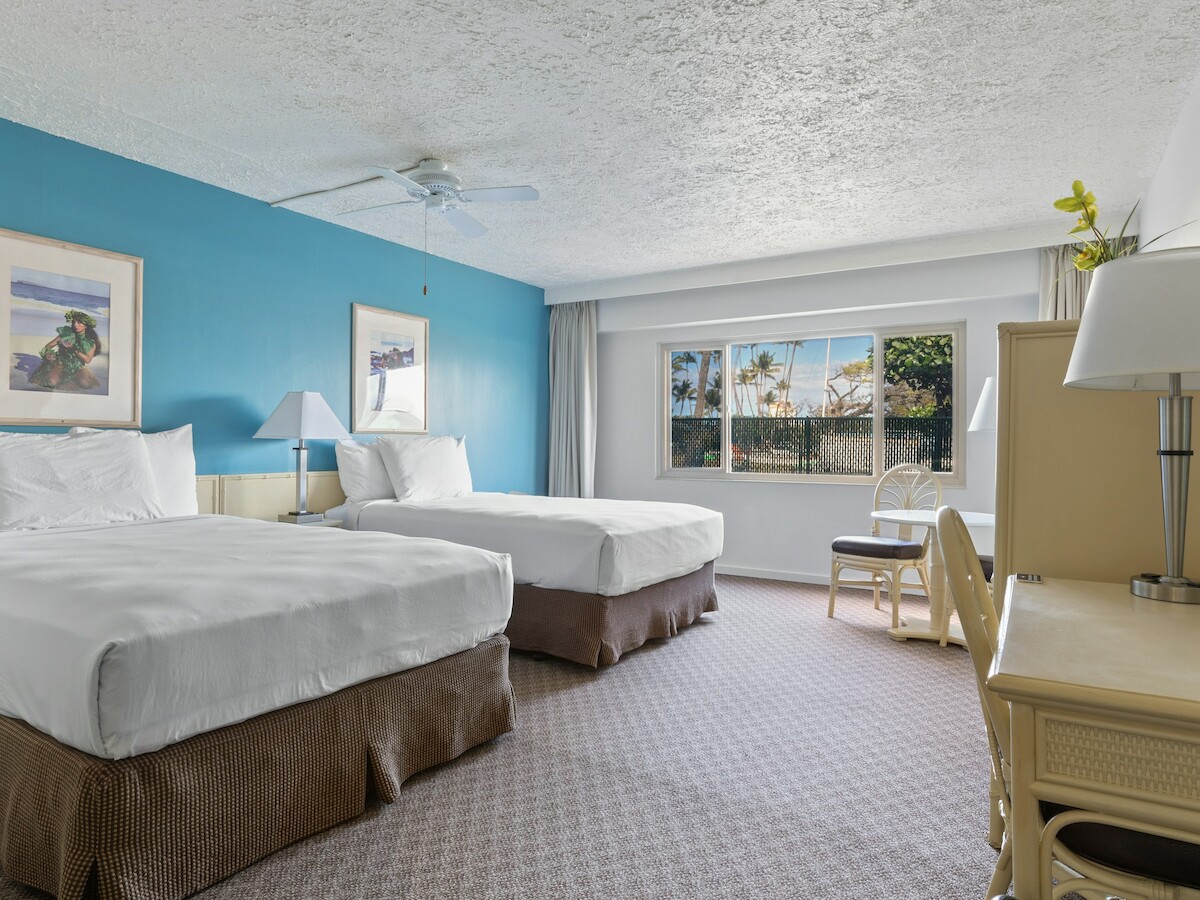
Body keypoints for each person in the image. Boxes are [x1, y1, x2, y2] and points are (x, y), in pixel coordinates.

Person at [28, 310, 102, 390]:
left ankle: (71, 378)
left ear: (86, 326)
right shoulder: (65, 334)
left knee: (86, 384)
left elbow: (87, 360)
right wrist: (47, 354)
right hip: (60, 363)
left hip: (77, 367)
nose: (75, 325)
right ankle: (58, 375)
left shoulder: (90, 342)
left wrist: (73, 349)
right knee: (51, 382)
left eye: (79, 323)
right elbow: (48, 346)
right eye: (74, 322)